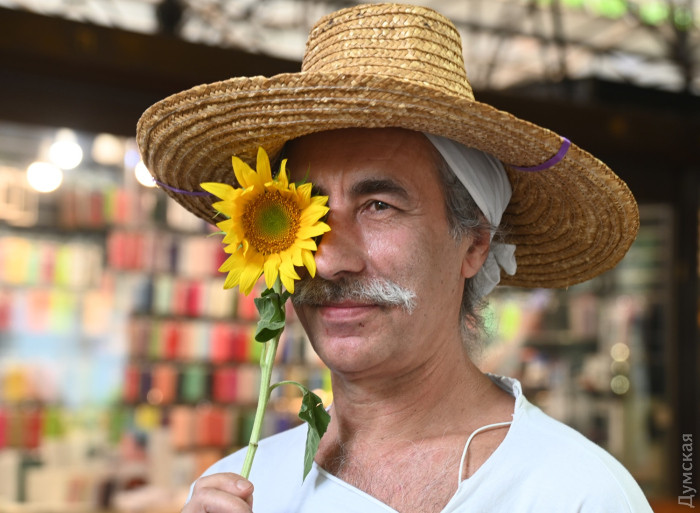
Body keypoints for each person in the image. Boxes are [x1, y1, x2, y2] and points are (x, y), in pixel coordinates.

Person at [136, 3, 651, 512]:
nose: (328, 260)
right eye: (307, 211)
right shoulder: (242, 491)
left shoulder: (574, 492)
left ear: (474, 243)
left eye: (378, 206)